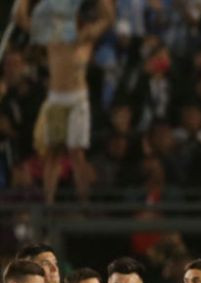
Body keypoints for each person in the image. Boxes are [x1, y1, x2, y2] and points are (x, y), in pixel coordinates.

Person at [15, 0, 115, 204]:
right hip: (56, 99)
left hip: (78, 99)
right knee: (53, 154)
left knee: (77, 154)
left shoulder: (85, 37)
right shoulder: (51, 36)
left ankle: (84, 205)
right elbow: (20, 19)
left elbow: (108, 19)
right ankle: (48, 204)